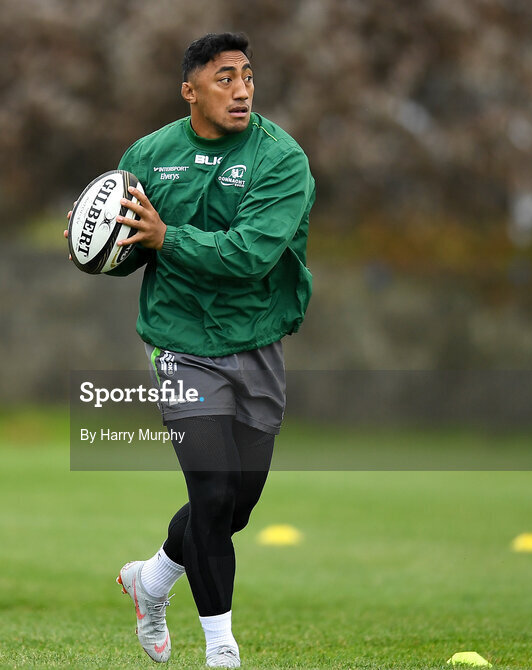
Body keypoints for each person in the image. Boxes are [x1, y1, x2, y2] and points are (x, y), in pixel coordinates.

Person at [106, 33, 315, 667]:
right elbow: (131, 250)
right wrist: (97, 242)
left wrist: (165, 237)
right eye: (225, 78)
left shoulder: (281, 159)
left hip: (255, 342)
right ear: (189, 91)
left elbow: (252, 255)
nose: (242, 89)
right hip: (179, 343)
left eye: (247, 76)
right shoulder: (149, 155)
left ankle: (150, 580)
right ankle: (221, 648)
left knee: (233, 507)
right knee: (212, 490)